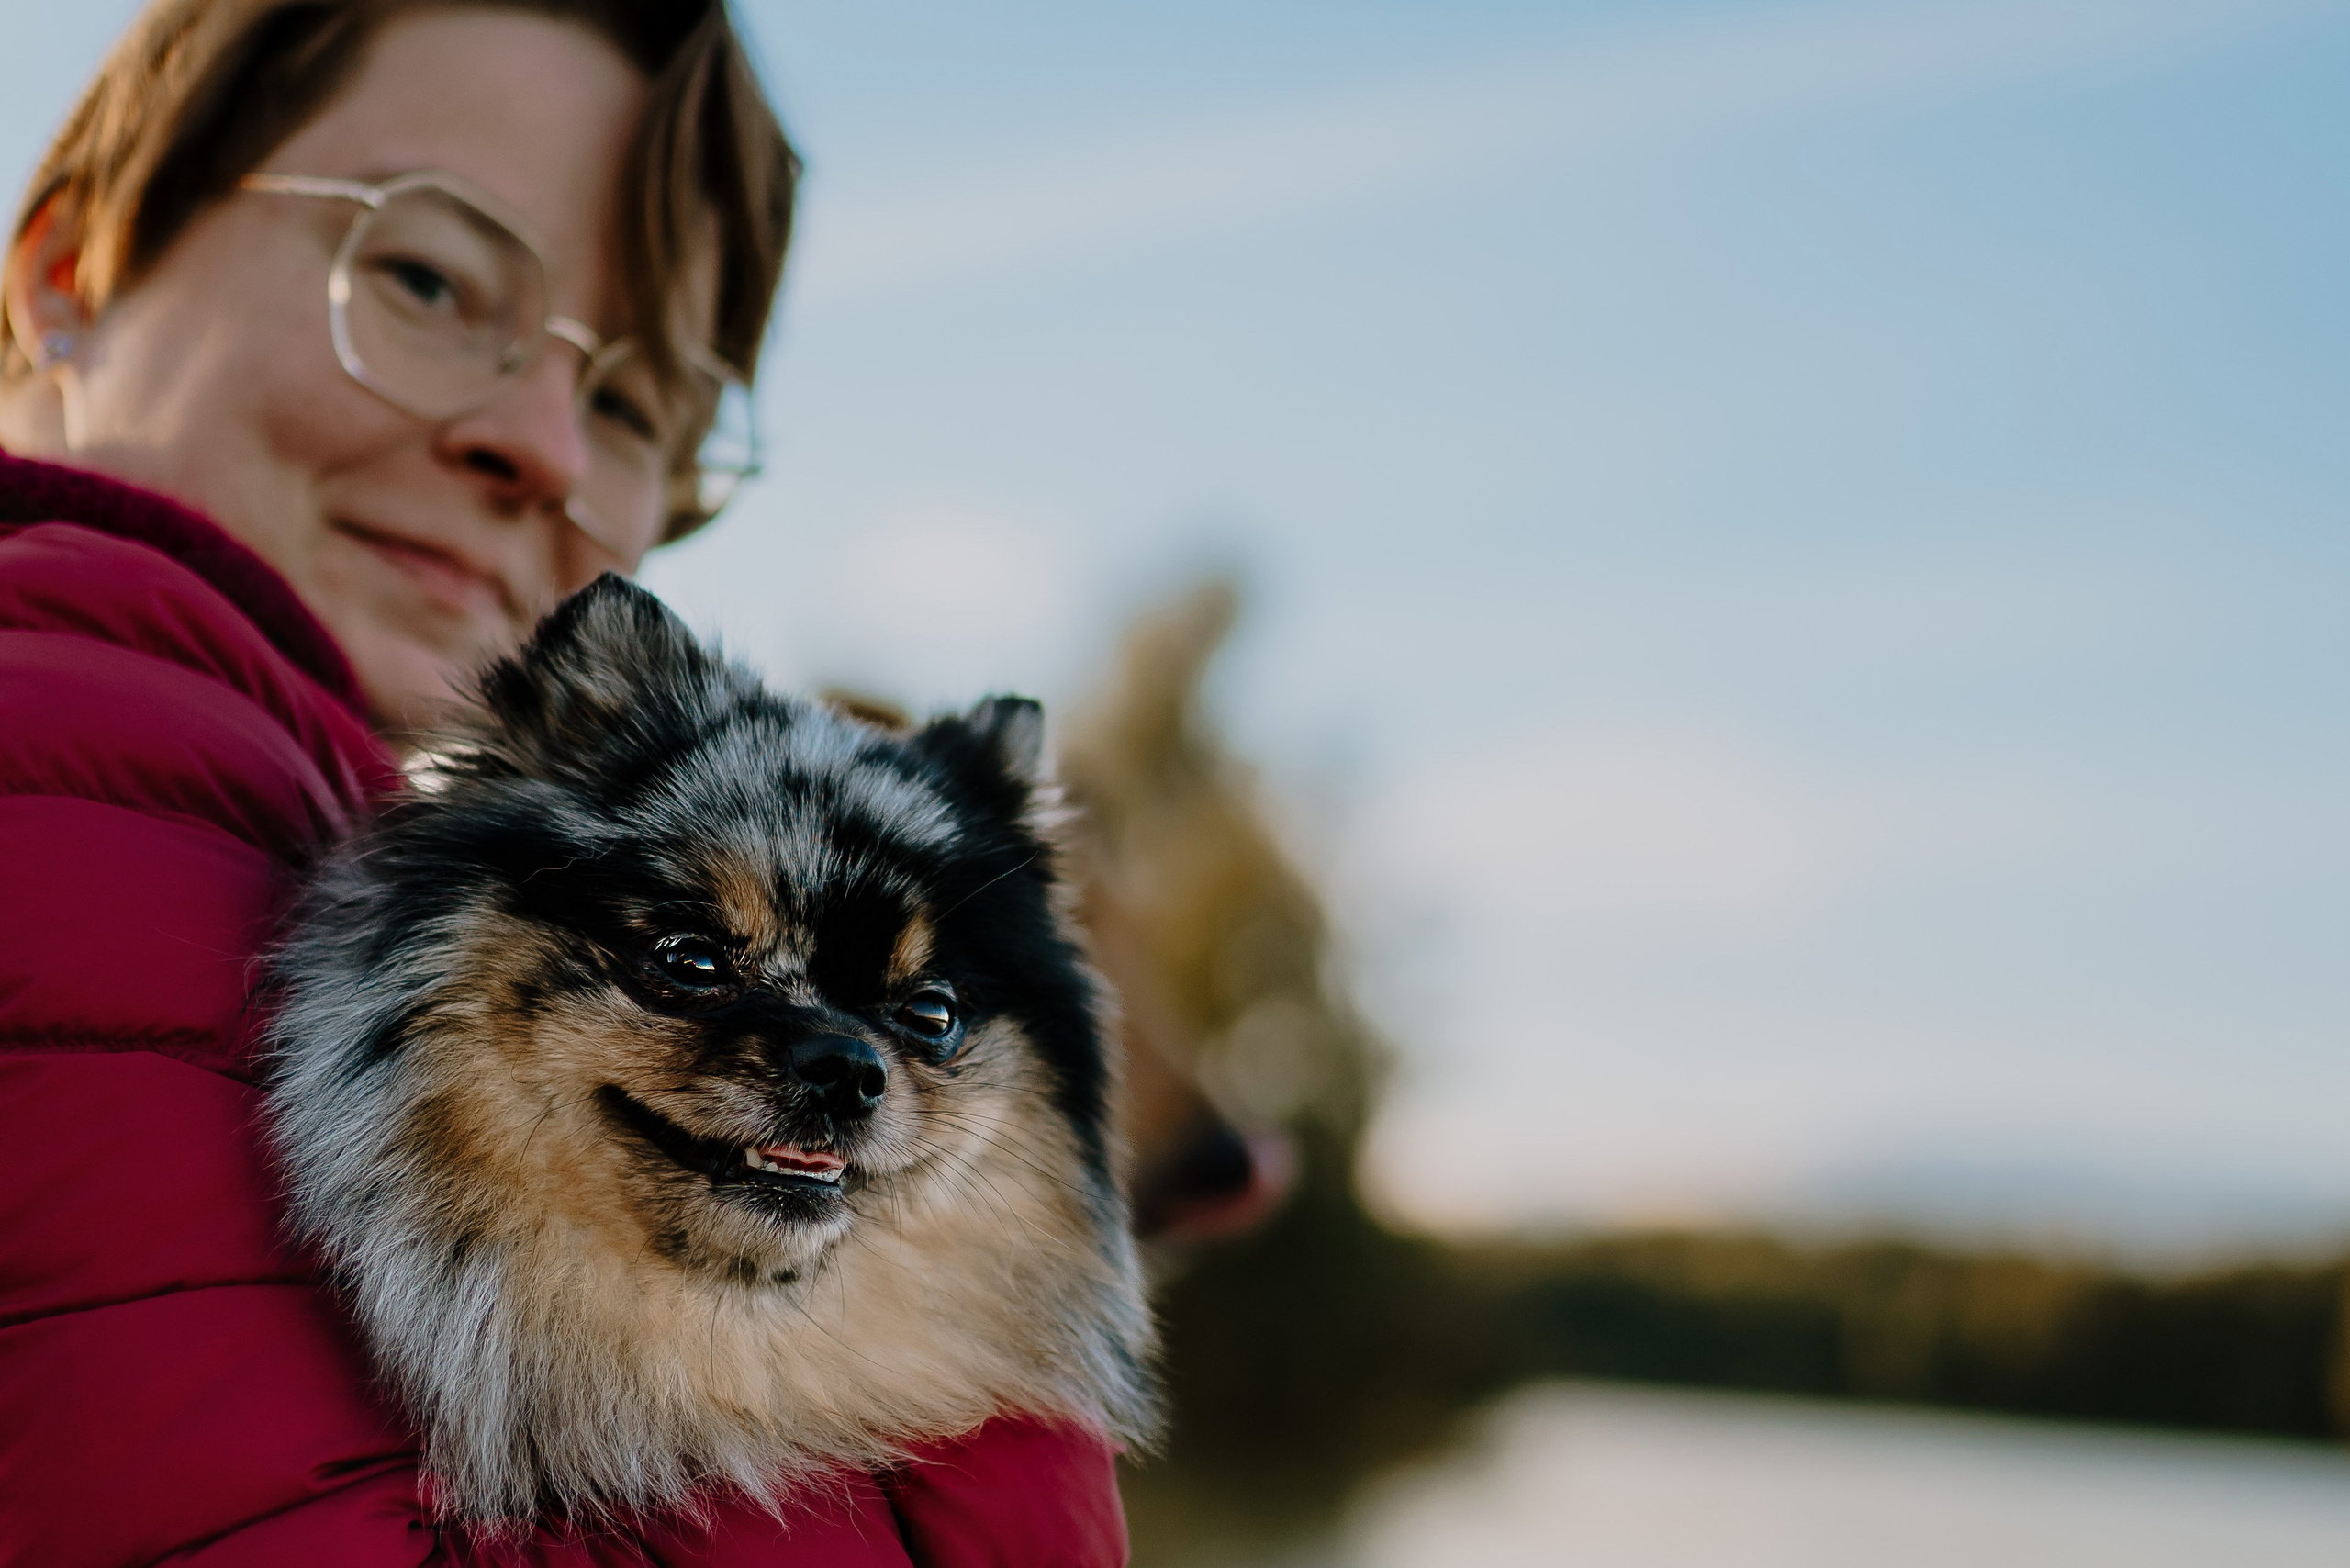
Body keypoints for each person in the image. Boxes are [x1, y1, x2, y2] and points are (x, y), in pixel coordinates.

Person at [0, 2, 1126, 1562]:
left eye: (631, 405)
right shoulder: (84, 797)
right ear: (69, 275)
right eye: (427, 278)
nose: (541, 442)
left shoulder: (262, 794)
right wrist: (998, 1428)